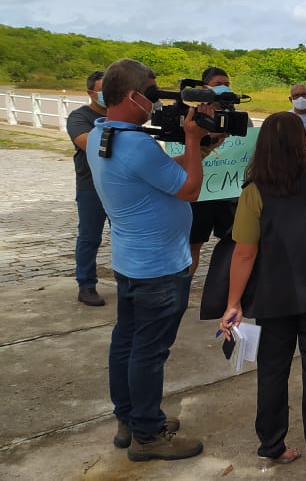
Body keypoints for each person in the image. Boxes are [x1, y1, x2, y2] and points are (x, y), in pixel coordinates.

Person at [220, 112, 306, 472]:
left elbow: (244, 252)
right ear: (305, 141)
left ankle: (272, 444)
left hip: (274, 294)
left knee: (272, 370)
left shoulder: (254, 191)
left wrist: (233, 302)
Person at [86, 58, 209, 461]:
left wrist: (203, 150)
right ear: (132, 96)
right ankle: (148, 434)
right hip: (159, 266)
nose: (154, 105)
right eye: (152, 95)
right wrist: (192, 140)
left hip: (131, 260)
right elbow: (189, 190)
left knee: (127, 341)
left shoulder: (101, 135)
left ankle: (130, 416)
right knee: (149, 351)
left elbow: (163, 176)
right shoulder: (137, 142)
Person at [67, 70, 109, 306]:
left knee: (125, 235)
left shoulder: (123, 117)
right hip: (90, 186)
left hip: (120, 186)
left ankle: (128, 282)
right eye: (103, 90)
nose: (107, 95)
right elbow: (87, 143)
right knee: (89, 237)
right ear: (90, 93)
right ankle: (86, 285)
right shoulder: (78, 117)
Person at [188, 67, 235, 276]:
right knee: (193, 245)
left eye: (227, 83)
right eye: (218, 84)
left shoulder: (238, 117)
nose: (224, 88)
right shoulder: (192, 116)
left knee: (233, 243)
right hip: (200, 192)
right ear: (204, 87)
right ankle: (183, 288)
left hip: (229, 191)